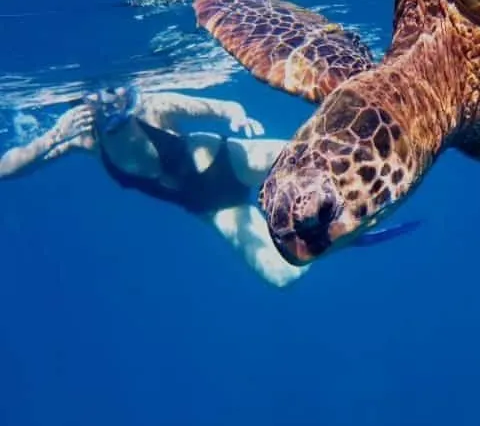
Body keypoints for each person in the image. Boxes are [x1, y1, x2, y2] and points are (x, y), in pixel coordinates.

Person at [0, 86, 309, 287]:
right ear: (80, 104)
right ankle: (328, 233)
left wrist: (237, 117)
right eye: (97, 97)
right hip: (213, 206)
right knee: (284, 276)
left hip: (232, 162)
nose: (111, 100)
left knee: (310, 160)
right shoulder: (85, 141)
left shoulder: (154, 106)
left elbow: (224, 106)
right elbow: (6, 170)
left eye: (115, 90)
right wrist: (52, 137)